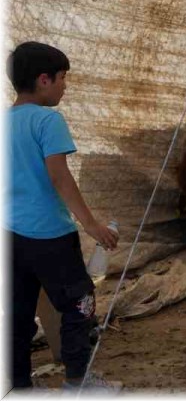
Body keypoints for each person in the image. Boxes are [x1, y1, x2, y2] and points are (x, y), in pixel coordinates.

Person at [6, 41, 121, 393]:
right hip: (50, 236)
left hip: (10, 233)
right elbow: (59, 175)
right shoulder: (48, 120)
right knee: (79, 305)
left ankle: (18, 386)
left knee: (18, 312)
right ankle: (78, 383)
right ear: (44, 80)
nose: (65, 86)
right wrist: (92, 224)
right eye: (62, 78)